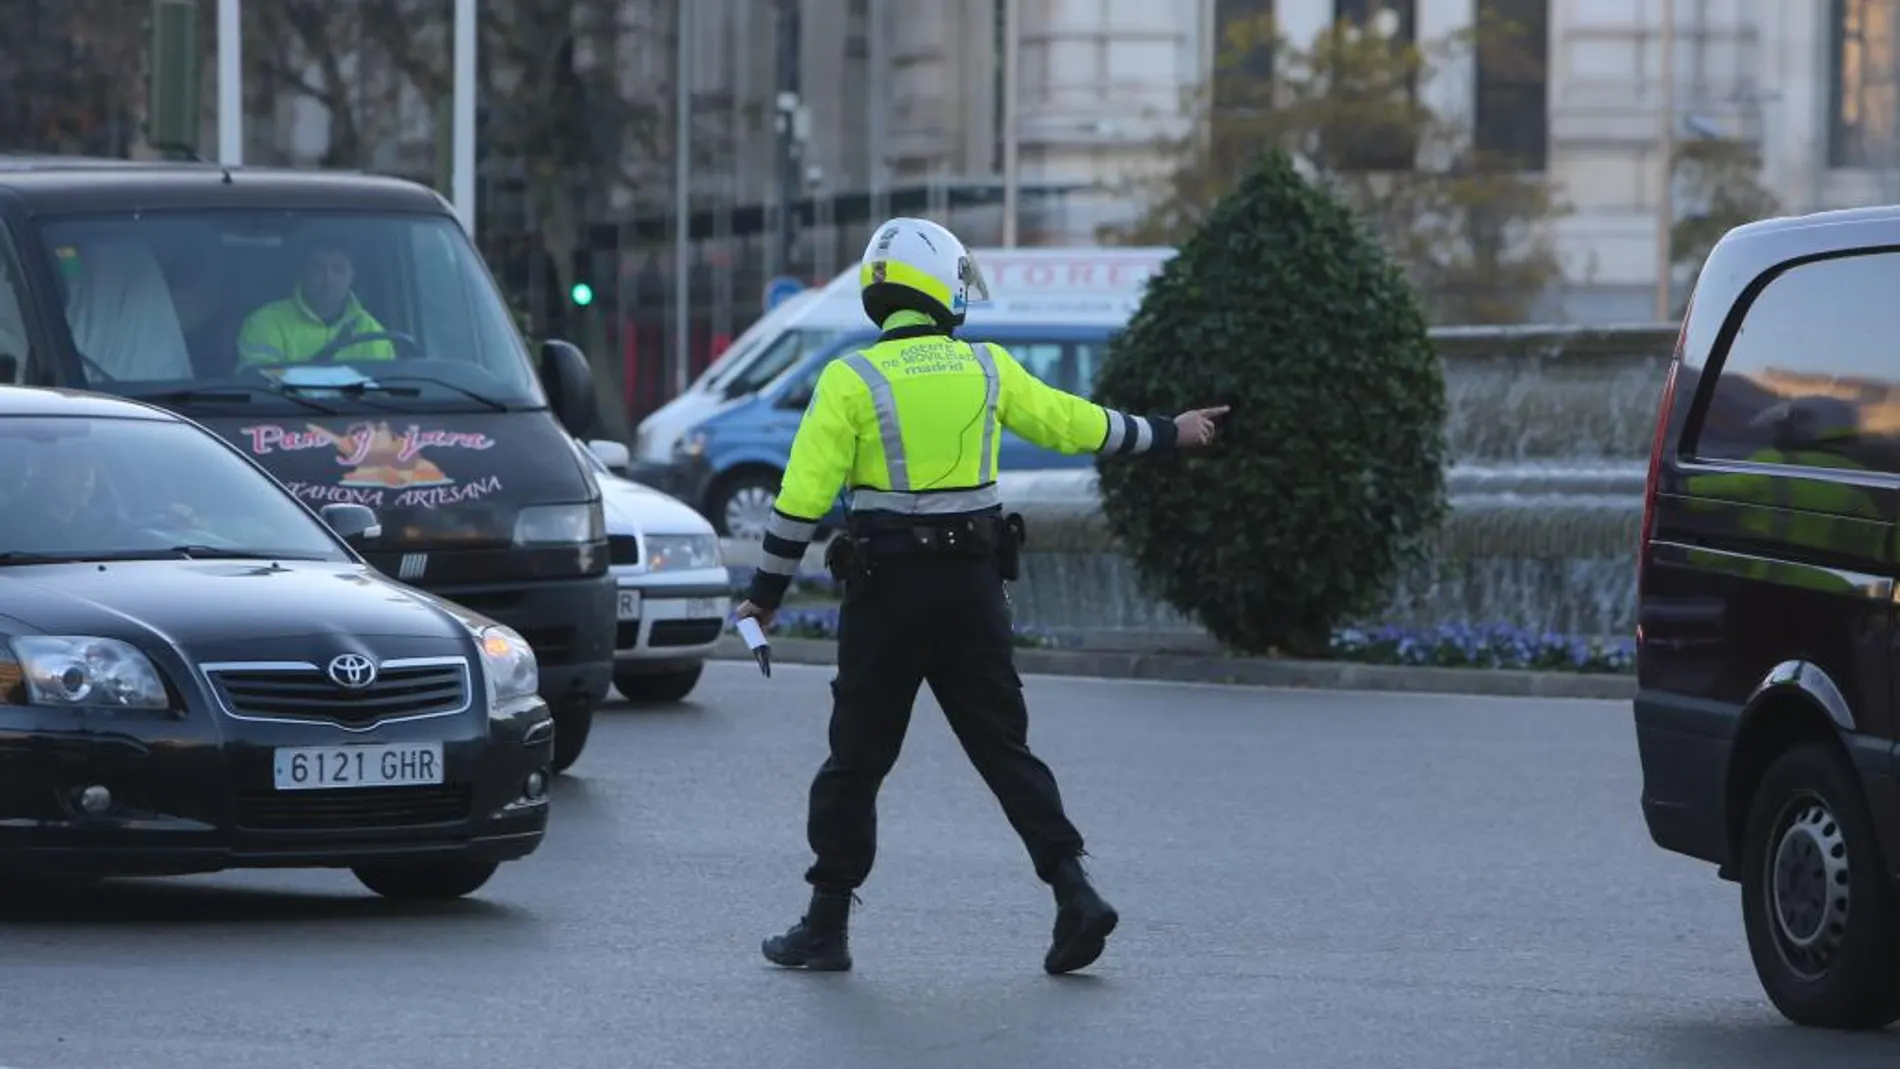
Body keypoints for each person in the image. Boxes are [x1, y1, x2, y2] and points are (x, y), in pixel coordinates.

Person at [738, 217, 1229, 976]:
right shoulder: (988, 368)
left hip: (887, 596)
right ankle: (1075, 892)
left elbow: (799, 500)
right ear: (942, 285)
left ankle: (827, 922)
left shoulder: (852, 378)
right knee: (1004, 748)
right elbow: (1078, 425)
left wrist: (764, 594)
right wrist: (1169, 432)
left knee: (857, 761)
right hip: (973, 591)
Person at [237, 233, 396, 366]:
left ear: (352, 276)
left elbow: (382, 395)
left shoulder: (373, 333)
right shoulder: (264, 323)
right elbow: (261, 389)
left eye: (338, 270)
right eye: (318, 269)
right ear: (303, 273)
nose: (328, 280)